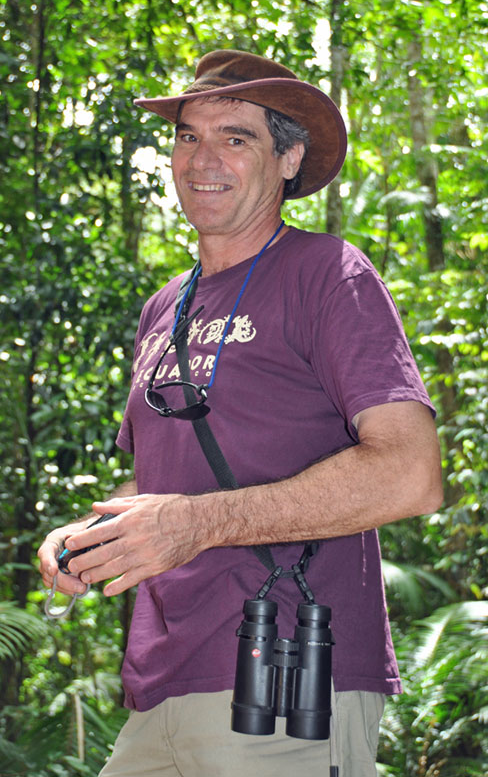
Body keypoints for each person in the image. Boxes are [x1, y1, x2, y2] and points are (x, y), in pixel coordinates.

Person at [38, 50, 443, 777]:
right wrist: (92, 533)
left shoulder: (330, 273)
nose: (203, 158)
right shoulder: (165, 306)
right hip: (159, 684)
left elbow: (409, 473)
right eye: (188, 136)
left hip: (286, 677)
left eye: (236, 137)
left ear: (288, 158)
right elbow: (164, 482)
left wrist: (198, 525)